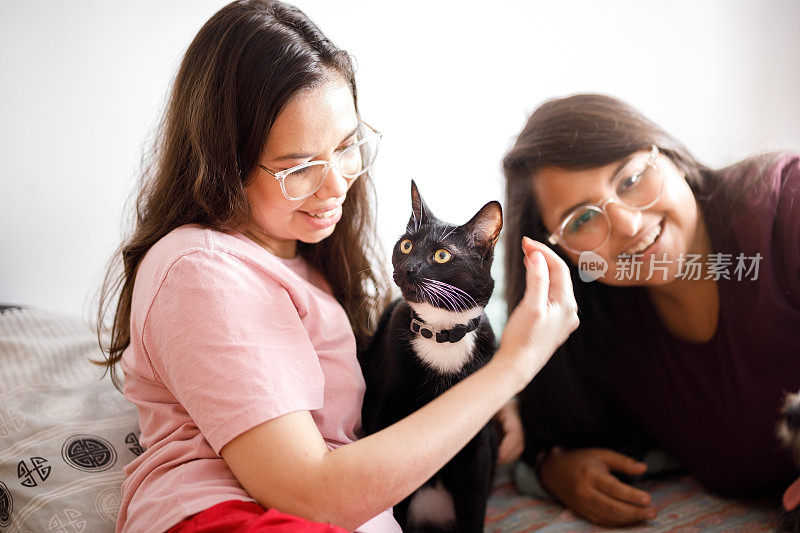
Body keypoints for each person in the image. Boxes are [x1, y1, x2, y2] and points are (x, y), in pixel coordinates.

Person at [95, 2, 579, 532]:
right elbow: (311, 493)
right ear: (222, 164)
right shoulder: (200, 269)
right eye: (299, 167)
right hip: (231, 517)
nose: (335, 187)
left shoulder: (303, 260)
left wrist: (478, 402)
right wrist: (515, 364)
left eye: (347, 146)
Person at [502, 93, 800, 527]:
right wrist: (555, 468)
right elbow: (546, 425)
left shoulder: (783, 206)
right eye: (581, 220)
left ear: (668, 156)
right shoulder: (602, 337)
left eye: (631, 179)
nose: (628, 224)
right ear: (561, 253)